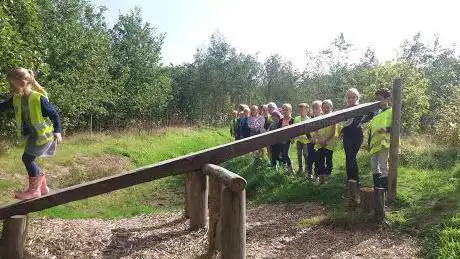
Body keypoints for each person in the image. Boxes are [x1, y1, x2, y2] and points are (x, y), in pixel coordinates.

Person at [0, 68, 62, 200]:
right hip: (33, 136)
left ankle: (34, 191)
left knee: (27, 159)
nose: (11, 87)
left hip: (44, 136)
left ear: (22, 82)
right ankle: (42, 187)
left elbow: (54, 114)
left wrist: (58, 131)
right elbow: (3, 106)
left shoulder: (37, 98)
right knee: (29, 159)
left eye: (13, 84)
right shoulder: (17, 98)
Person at [367, 89, 392, 190]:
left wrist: (386, 129)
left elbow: (396, 126)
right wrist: (369, 144)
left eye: (380, 99)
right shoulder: (375, 114)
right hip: (373, 145)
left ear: (387, 99)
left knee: (383, 166)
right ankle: (377, 188)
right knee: (374, 167)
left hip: (384, 144)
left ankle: (385, 190)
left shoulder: (391, 111)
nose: (378, 102)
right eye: (376, 100)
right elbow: (371, 130)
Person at [341, 88, 364, 183]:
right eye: (349, 97)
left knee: (352, 156)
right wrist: (342, 131)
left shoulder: (361, 108)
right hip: (347, 135)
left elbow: (371, 115)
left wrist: (361, 121)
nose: (351, 99)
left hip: (357, 135)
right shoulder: (345, 109)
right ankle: (350, 178)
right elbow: (344, 123)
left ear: (357, 98)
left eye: (353, 97)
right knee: (348, 156)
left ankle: (355, 178)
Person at [313, 100, 337, 184]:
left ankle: (327, 177)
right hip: (319, 143)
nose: (325, 109)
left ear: (331, 108)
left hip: (329, 143)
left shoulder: (333, 117)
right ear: (321, 108)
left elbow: (333, 132)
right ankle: (321, 177)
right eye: (324, 107)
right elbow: (316, 130)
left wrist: (325, 140)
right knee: (320, 160)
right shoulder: (319, 118)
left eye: (328, 107)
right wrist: (319, 140)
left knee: (329, 160)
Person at [307, 100, 323, 180]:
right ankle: (309, 173)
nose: (315, 109)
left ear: (321, 108)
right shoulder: (310, 119)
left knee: (318, 159)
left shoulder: (324, 118)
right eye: (313, 108)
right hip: (311, 142)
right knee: (310, 158)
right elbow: (306, 130)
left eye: (317, 107)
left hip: (320, 142)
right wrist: (310, 138)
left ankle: (317, 175)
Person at [294, 103, 310, 176]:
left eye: (302, 110)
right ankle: (300, 168)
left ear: (307, 110)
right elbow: (294, 128)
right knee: (299, 154)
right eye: (299, 110)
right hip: (298, 140)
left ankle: (307, 168)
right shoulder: (297, 118)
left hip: (306, 140)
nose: (301, 111)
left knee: (306, 154)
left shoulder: (309, 119)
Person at [280, 103, 295, 174]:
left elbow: (294, 130)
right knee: (282, 154)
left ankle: (290, 168)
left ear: (290, 111)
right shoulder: (281, 121)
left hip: (289, 140)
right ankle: (285, 169)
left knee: (286, 154)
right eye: (283, 110)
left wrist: (292, 138)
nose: (285, 111)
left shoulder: (292, 120)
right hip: (281, 140)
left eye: (287, 110)